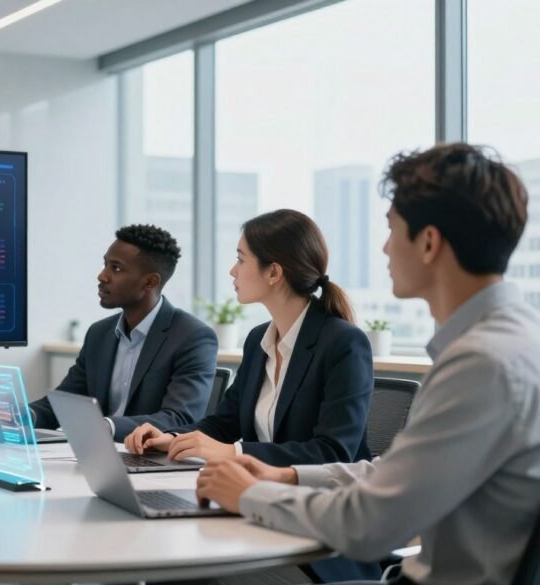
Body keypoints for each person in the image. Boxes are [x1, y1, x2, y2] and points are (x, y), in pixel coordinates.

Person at [197, 143, 540, 585]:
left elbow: (369, 525)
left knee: (208, 574)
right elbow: (395, 474)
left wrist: (251, 496)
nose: (384, 247)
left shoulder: (482, 364)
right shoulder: (509, 342)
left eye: (392, 229)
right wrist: (287, 474)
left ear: (430, 242)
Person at [125, 210, 374, 468]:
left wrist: (234, 453)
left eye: (241, 259)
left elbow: (333, 452)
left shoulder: (343, 343)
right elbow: (224, 423)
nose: (233, 271)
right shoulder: (258, 340)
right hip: (263, 492)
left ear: (274, 273)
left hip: (324, 500)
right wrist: (171, 438)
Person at [30, 224, 218, 441]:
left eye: (116, 268)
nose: (102, 276)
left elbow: (179, 418)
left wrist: (107, 426)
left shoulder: (192, 336)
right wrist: (21, 415)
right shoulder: (99, 333)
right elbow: (65, 403)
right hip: (99, 453)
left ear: (150, 281)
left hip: (151, 459)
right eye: (105, 265)